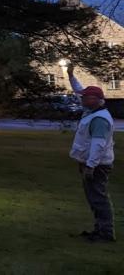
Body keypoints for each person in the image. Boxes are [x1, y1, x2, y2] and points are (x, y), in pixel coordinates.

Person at [66, 65, 116, 242]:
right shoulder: (93, 112)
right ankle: (99, 230)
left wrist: (90, 165)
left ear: (96, 100)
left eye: (86, 97)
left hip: (96, 165)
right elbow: (79, 89)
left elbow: (98, 144)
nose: (82, 98)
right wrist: (70, 75)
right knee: (94, 198)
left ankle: (105, 233)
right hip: (91, 163)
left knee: (98, 198)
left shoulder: (99, 119)